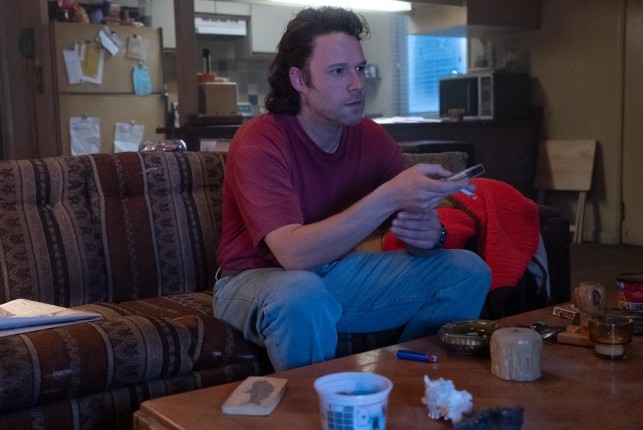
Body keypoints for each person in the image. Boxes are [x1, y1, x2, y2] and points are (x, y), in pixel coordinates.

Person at [213, 6, 491, 372]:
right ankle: (321, 404)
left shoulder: (370, 137)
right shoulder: (259, 141)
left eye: (359, 68)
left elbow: (417, 237)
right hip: (252, 280)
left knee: (468, 271)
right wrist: (389, 196)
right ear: (299, 80)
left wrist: (428, 234)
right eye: (338, 71)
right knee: (302, 293)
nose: (357, 84)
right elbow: (292, 255)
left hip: (336, 273)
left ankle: (407, 386)